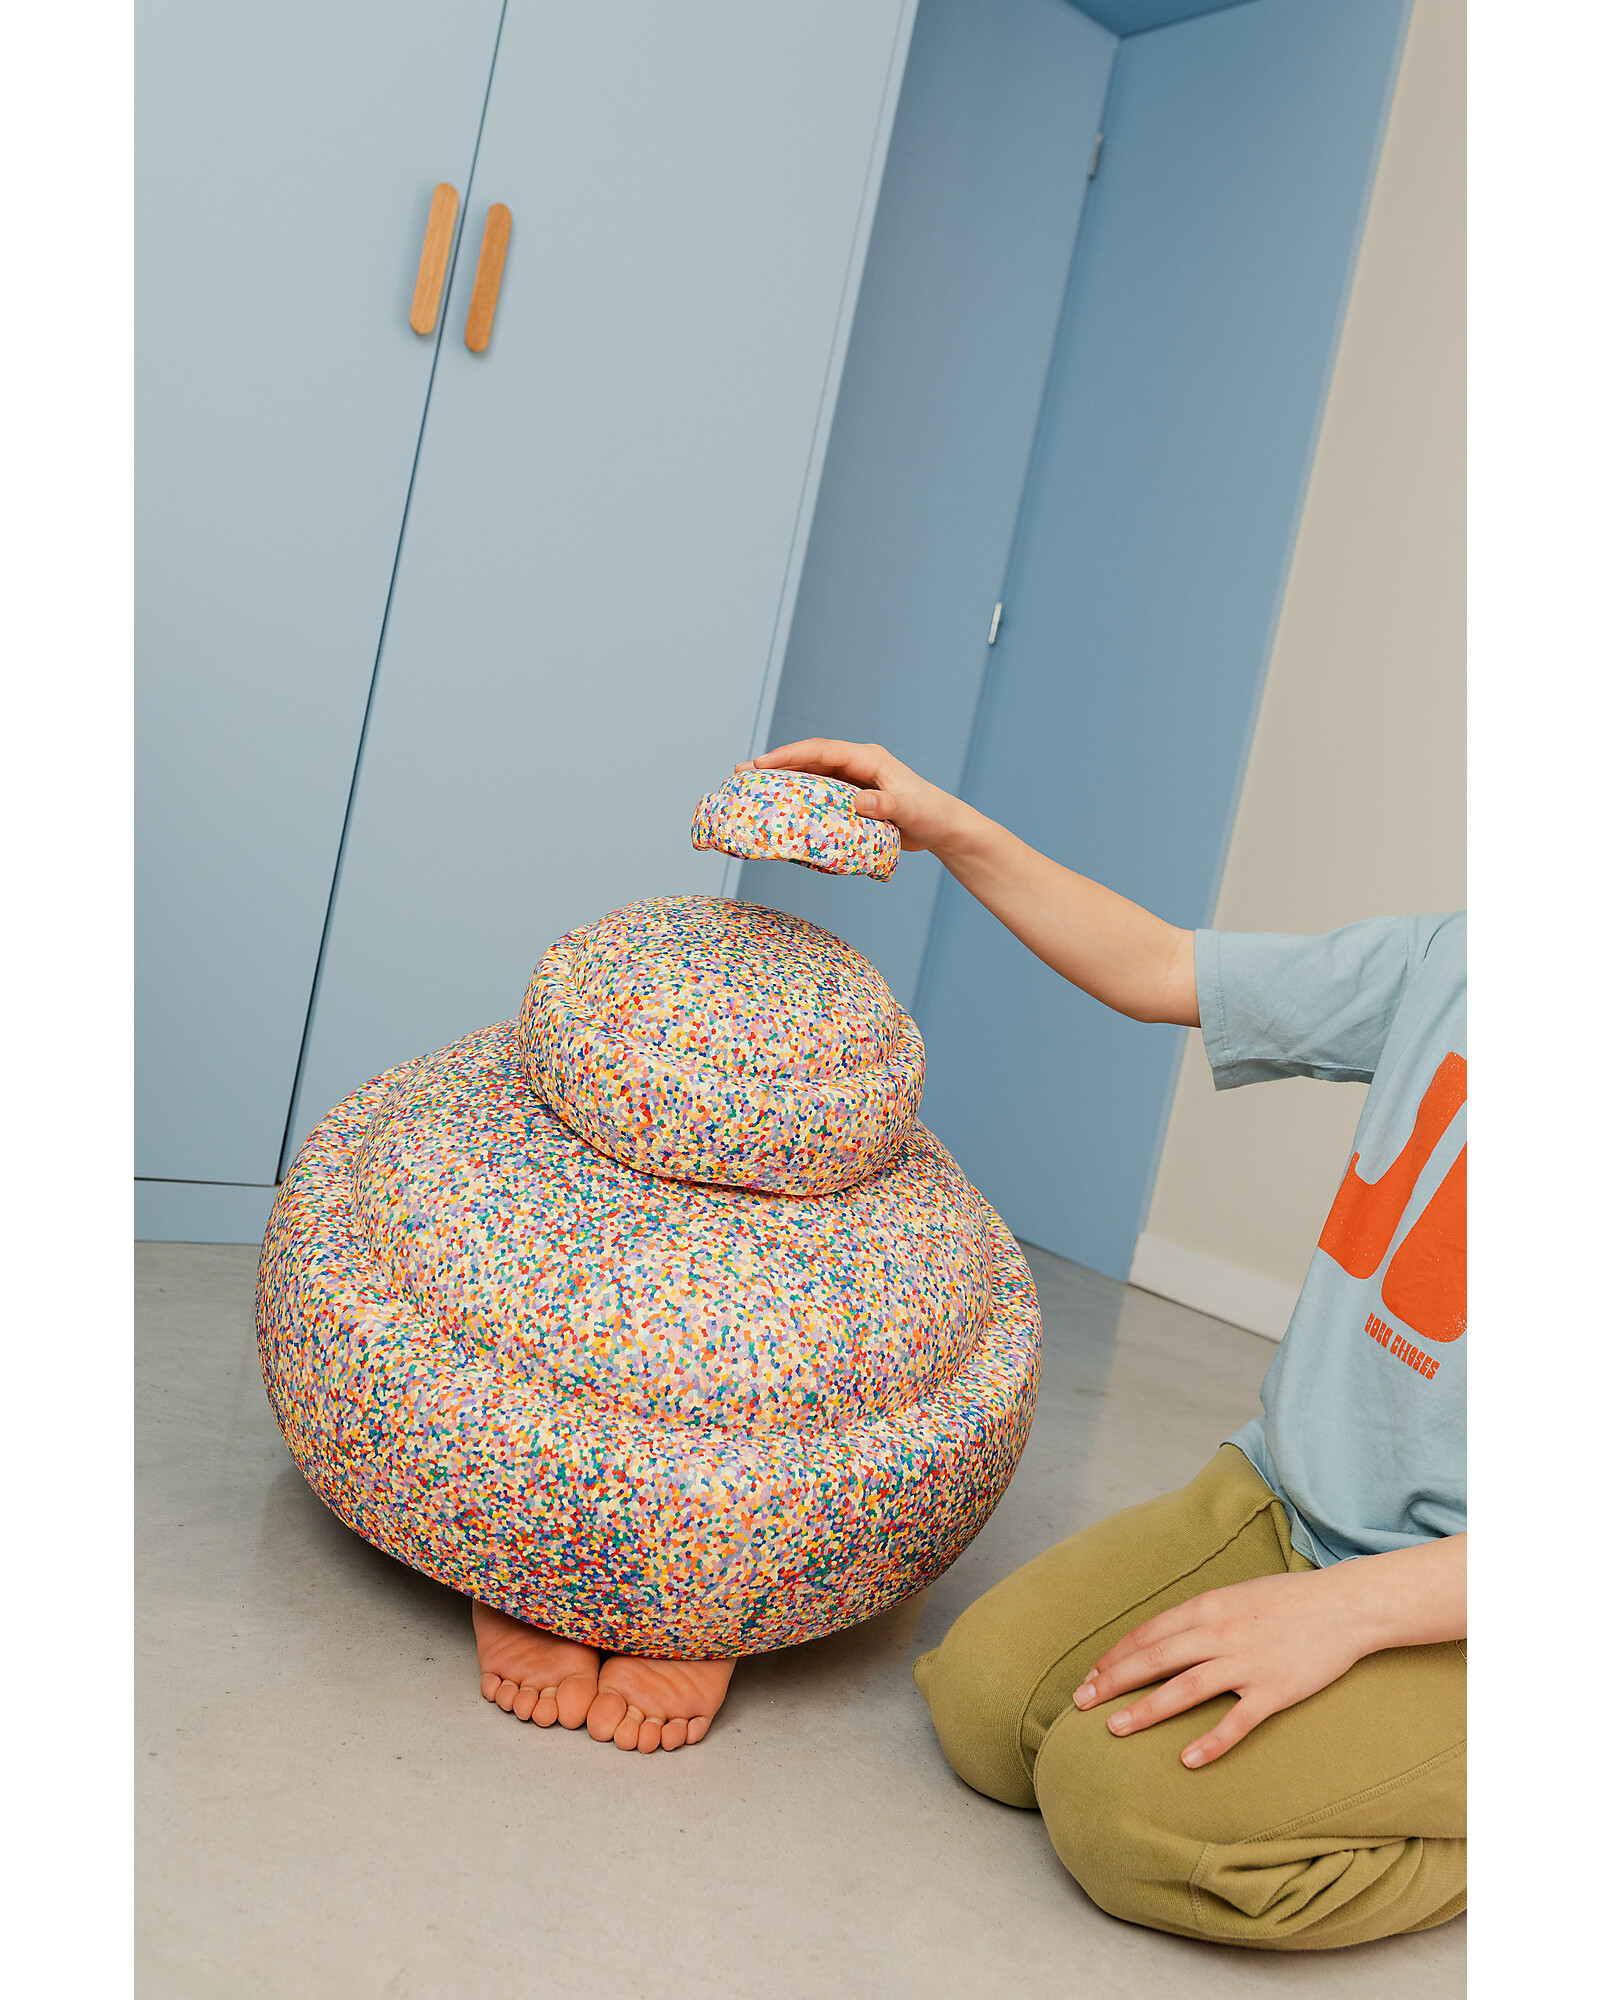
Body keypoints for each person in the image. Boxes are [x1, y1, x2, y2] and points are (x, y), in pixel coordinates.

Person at [744, 738, 1466, 1949]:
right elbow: (1160, 965)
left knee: (1124, 1812)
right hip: (1296, 1500)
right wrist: (949, 825)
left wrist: (1354, 1612)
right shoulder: (1463, 956)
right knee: (986, 1706)